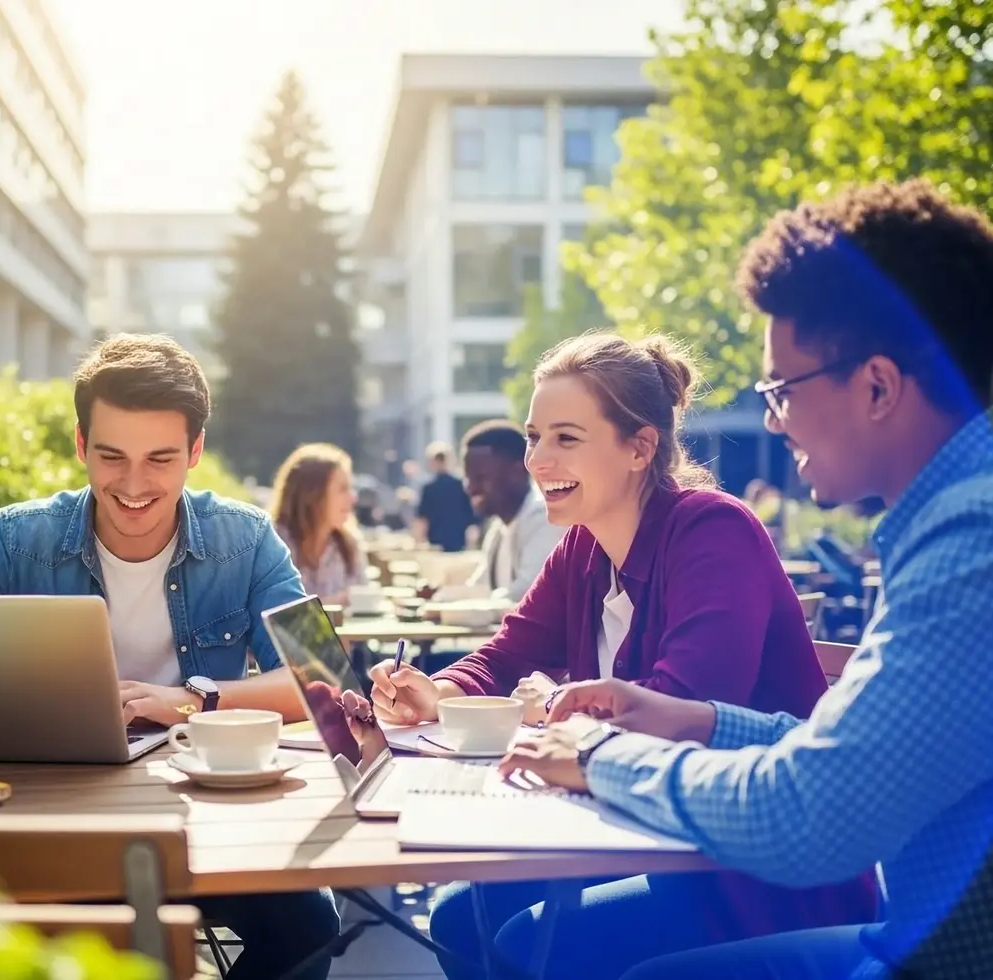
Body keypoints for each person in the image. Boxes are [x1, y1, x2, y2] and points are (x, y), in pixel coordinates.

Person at [501, 179, 993, 979]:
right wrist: (691, 721)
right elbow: (851, 757)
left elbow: (809, 813)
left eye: (781, 390)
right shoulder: (955, 520)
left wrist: (599, 754)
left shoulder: (970, 544)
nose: (770, 418)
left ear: (876, 386)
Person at [368, 332, 875, 979]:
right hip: (643, 832)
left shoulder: (713, 531)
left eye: (566, 438)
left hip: (753, 867)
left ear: (639, 448)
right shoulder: (583, 547)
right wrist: (437, 691)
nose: (537, 460)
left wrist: (549, 710)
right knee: (459, 914)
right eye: (533, 437)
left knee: (527, 942)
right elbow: (505, 653)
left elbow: (674, 711)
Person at [0, 333, 340, 980]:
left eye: (160, 459)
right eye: (111, 457)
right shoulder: (17, 540)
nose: (133, 485)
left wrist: (190, 701)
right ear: (81, 446)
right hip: (57, 816)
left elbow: (321, 678)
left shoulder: (246, 539)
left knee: (311, 927)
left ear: (195, 451)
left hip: (205, 814)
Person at [456, 419, 565, 602]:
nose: (471, 487)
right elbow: (479, 590)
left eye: (481, 478)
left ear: (517, 471)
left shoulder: (546, 518)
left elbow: (528, 595)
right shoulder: (499, 529)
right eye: (468, 479)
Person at [270, 443, 368, 605]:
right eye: (342, 489)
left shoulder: (349, 546)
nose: (353, 498)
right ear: (313, 496)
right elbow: (276, 613)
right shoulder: (274, 545)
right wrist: (336, 602)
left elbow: (365, 604)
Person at [414, 442, 476, 552]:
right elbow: (472, 517)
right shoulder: (461, 485)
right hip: (458, 543)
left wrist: (419, 542)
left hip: (435, 546)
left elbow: (422, 519)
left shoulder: (429, 488)